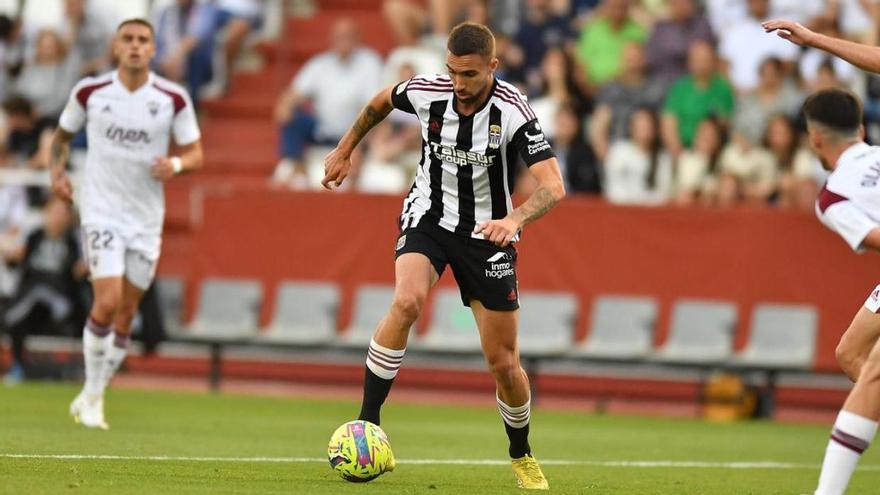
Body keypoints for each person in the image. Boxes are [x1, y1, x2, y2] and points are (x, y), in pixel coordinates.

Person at [322, 22, 565, 490]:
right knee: (407, 301)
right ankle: (367, 424)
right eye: (452, 72)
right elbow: (378, 103)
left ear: (493, 66)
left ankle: (522, 452)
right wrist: (343, 150)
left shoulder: (512, 111)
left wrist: (514, 221)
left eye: (470, 74)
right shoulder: (428, 92)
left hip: (487, 234)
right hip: (429, 217)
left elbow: (553, 186)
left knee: (504, 363)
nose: (459, 84)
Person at [50, 18, 202, 429]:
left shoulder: (172, 98)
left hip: (146, 217)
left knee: (127, 311)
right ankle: (95, 395)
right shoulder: (90, 92)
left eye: (143, 40)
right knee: (107, 299)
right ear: (116, 47)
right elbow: (60, 138)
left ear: (153, 49)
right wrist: (57, 174)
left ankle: (93, 390)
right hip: (101, 209)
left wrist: (174, 163)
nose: (135, 46)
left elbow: (195, 154)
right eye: (128, 40)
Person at [797, 89, 880, 495]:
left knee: (876, 371)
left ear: (815, 139)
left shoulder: (833, 197)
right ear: (861, 129)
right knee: (852, 354)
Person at [272, 19, 381, 189]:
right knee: (293, 118)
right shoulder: (320, 64)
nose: (342, 41)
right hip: (322, 129)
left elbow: (373, 106)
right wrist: (285, 106)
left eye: (347, 36)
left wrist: (357, 141)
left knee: (371, 118)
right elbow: (293, 94)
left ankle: (298, 170)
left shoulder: (369, 63)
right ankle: (295, 165)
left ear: (357, 39)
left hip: (353, 132)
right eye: (339, 37)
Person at [2, 197, 86, 385]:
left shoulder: (73, 242)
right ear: (45, 214)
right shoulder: (34, 237)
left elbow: (77, 276)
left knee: (29, 305)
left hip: (59, 302)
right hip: (30, 299)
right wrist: (12, 257)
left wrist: (82, 271)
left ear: (69, 218)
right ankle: (18, 366)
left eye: (62, 213)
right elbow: (16, 265)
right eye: (54, 212)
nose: (57, 218)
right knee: (22, 311)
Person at [603, 108, 673, 205]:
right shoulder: (619, 151)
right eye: (640, 126)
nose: (644, 130)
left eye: (647, 126)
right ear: (631, 127)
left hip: (651, 212)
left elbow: (663, 192)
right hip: (621, 209)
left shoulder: (662, 157)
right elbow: (613, 188)